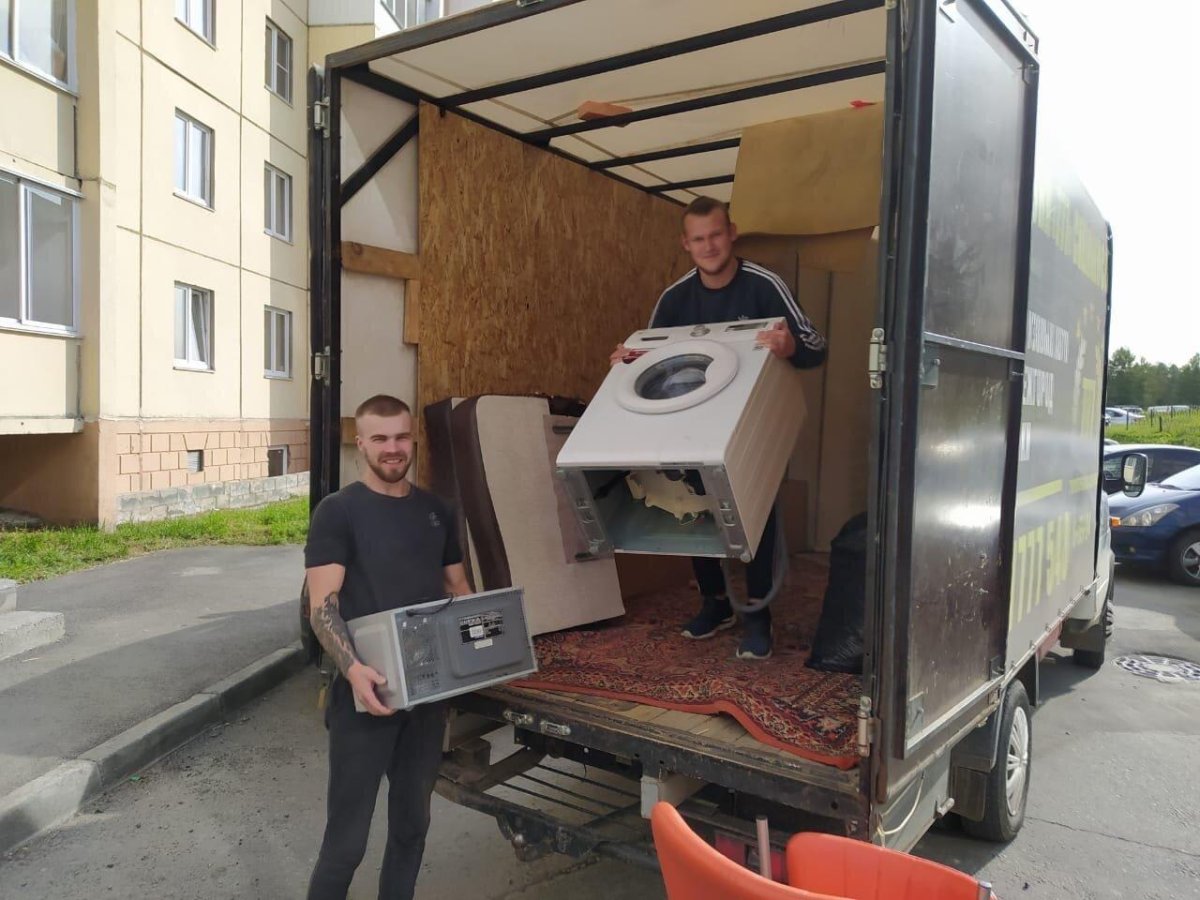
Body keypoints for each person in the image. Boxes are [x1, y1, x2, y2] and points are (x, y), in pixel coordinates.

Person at [610, 196, 827, 660]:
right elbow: (652, 359)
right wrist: (628, 361)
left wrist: (790, 346)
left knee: (755, 515)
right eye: (698, 239)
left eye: (715, 235)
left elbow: (815, 344)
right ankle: (716, 603)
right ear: (685, 244)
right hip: (694, 423)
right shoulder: (675, 298)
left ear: (731, 234)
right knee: (695, 505)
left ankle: (758, 614)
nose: (708, 246)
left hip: (753, 422)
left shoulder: (764, 285)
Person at [304, 394, 471, 900]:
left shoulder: (438, 512)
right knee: (346, 843)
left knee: (412, 828)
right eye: (380, 438)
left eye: (401, 436)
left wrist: (480, 648)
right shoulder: (338, 512)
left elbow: (457, 590)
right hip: (365, 697)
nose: (392, 448)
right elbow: (322, 607)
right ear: (361, 444)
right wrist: (354, 670)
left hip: (426, 695)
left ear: (412, 439)